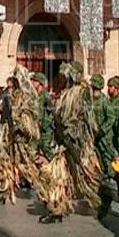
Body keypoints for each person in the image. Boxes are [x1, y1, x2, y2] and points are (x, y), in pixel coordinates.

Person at [35, 62, 107, 224]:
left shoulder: (83, 93)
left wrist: (76, 135)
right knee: (56, 176)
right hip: (63, 143)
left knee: (87, 176)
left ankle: (104, 196)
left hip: (79, 143)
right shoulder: (65, 93)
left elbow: (88, 120)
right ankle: (56, 210)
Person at [0, 67, 41, 205]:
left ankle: (49, 195)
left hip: (21, 137)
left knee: (28, 166)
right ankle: (2, 192)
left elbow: (33, 114)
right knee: (3, 161)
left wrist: (21, 125)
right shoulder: (12, 93)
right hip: (8, 134)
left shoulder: (28, 95)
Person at [98, 76, 119, 200]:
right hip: (109, 135)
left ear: (116, 88)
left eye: (111, 87)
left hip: (117, 134)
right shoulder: (109, 100)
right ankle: (111, 175)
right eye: (108, 87)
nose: (108, 89)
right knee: (106, 157)